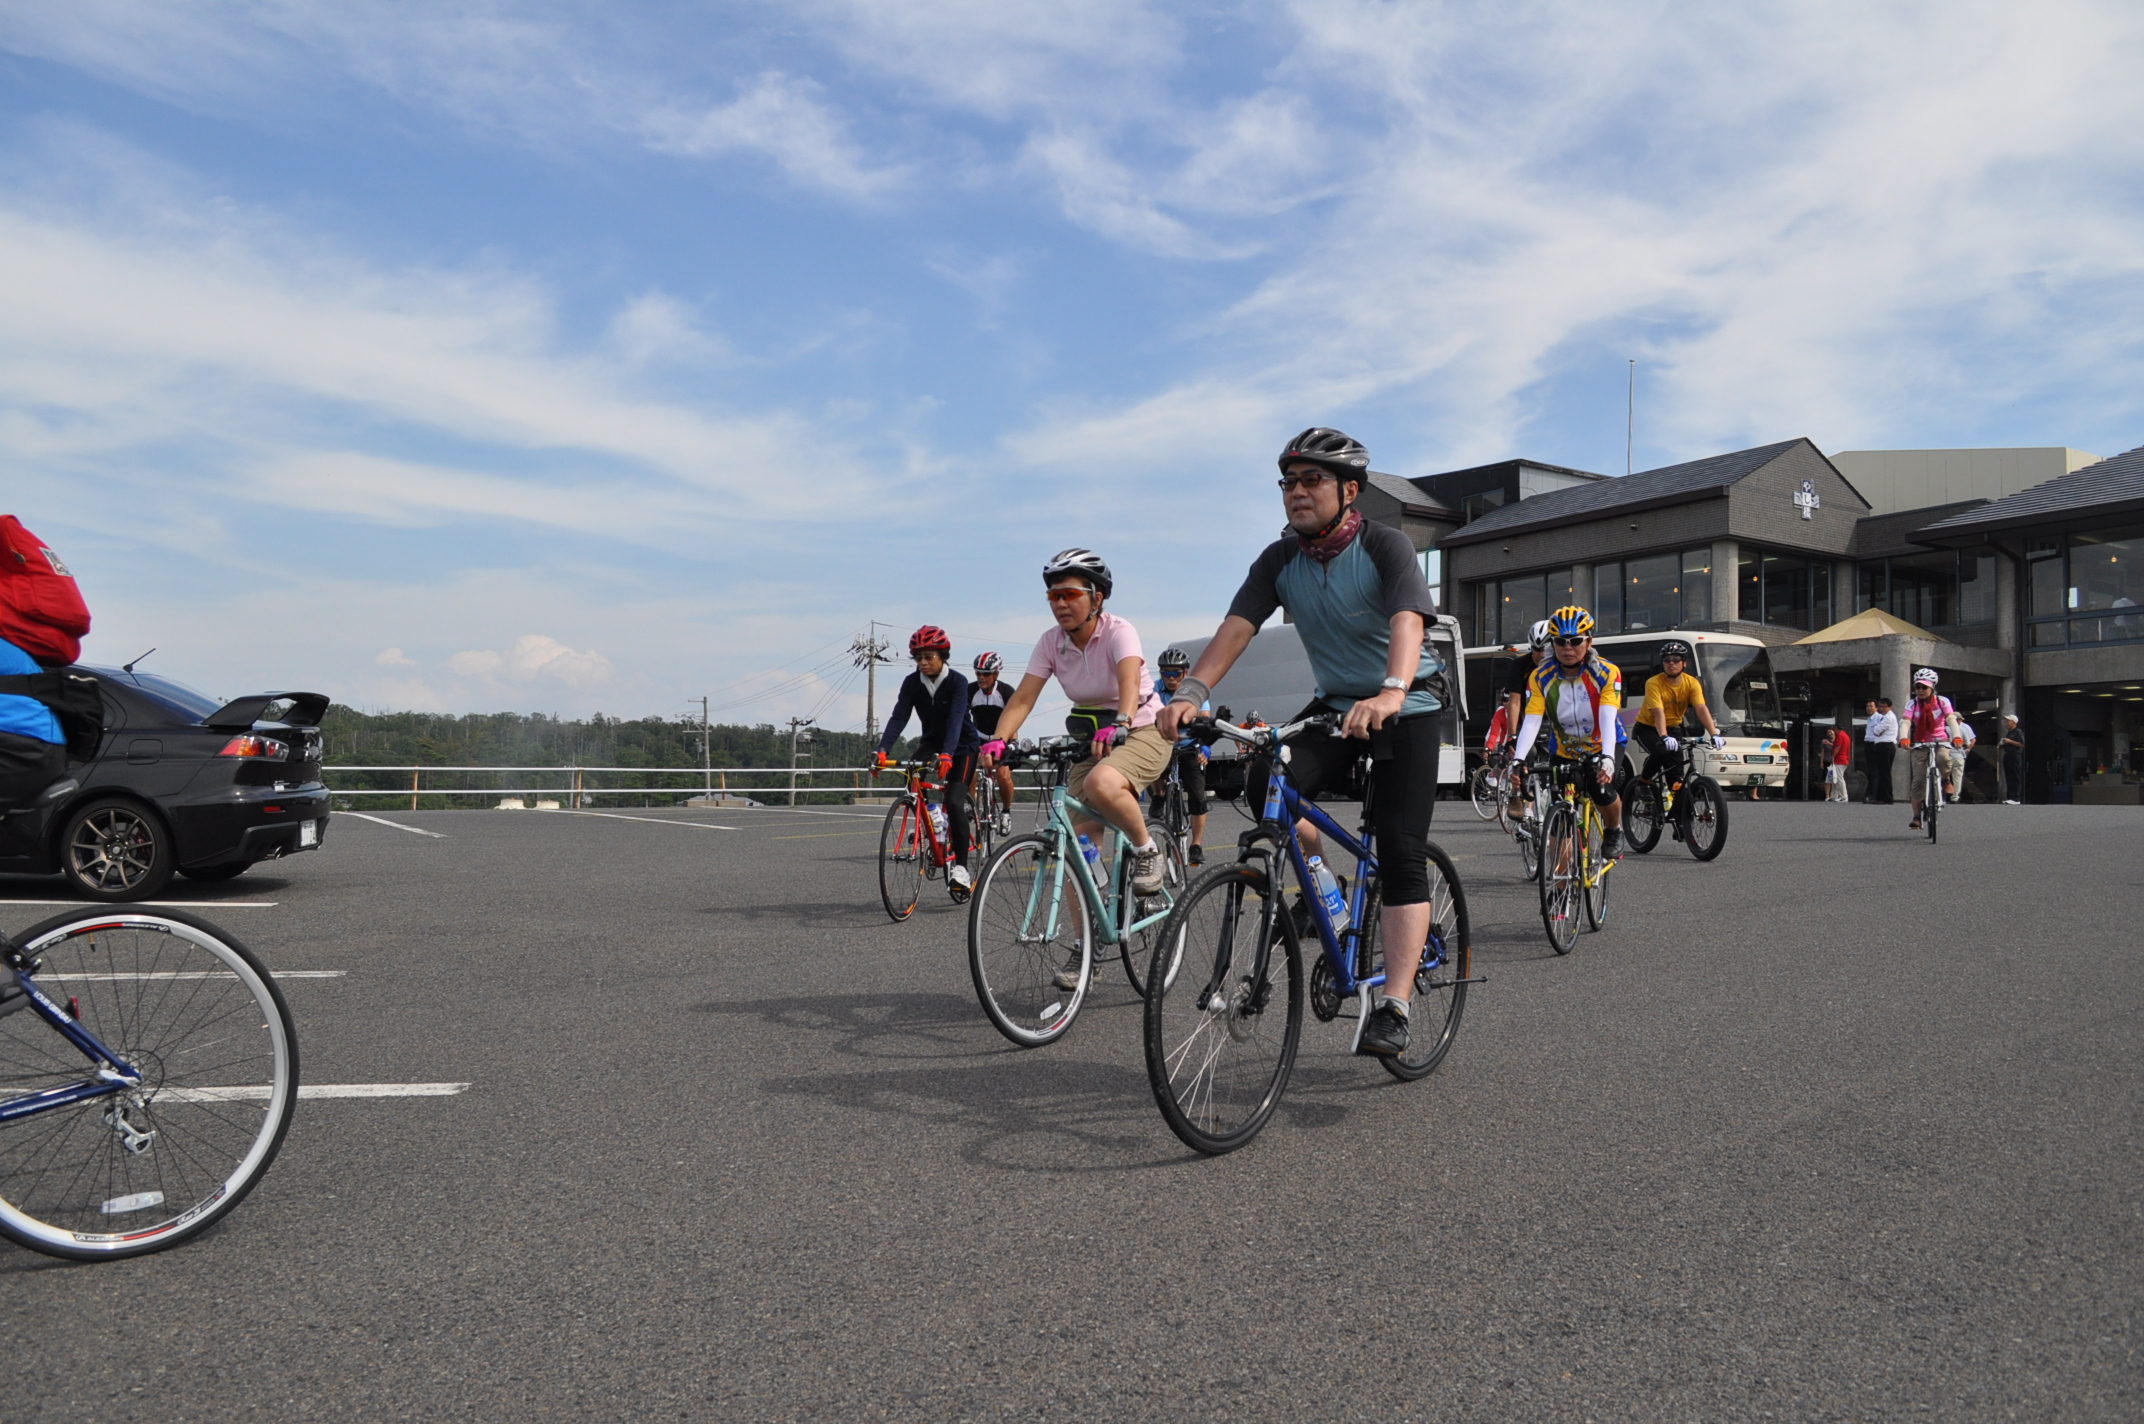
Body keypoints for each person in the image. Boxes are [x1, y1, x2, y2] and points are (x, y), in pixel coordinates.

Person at [1156, 427, 1444, 1060]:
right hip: (1339, 705)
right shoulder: (1279, 561)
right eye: (1288, 482)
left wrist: (1393, 691)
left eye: (1312, 480)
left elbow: (1408, 621)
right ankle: (1327, 893)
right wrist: (1191, 693)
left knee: (1399, 850)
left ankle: (1394, 1003)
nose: (1297, 492)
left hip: (1408, 706)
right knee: (1268, 784)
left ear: (1349, 490)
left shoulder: (1385, 545)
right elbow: (1236, 629)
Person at [980, 549, 1170, 908]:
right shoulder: (1051, 642)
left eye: (1070, 595)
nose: (1060, 604)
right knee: (1076, 857)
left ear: (1096, 598)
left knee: (1101, 784)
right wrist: (998, 740)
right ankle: (1086, 953)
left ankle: (1147, 851)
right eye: (1054, 596)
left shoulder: (1119, 631)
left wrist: (1122, 723)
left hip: (1142, 728)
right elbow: (1022, 699)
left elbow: (1129, 683)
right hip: (1093, 740)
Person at [874, 626, 983, 897]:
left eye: (929, 656)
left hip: (963, 746)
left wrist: (948, 753)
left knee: (956, 801)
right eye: (918, 657)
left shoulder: (957, 682)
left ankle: (960, 868)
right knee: (911, 774)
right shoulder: (912, 683)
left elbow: (957, 718)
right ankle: (932, 814)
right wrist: (882, 749)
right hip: (933, 742)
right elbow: (899, 716)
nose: (923, 662)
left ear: (943, 655)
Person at [1510, 604, 1627, 855]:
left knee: (1602, 792)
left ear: (1589, 641)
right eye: (1560, 642)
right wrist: (1519, 758)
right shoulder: (1541, 676)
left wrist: (1607, 757)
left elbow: (1608, 717)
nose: (1568, 648)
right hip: (1564, 747)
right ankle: (1558, 890)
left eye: (1575, 641)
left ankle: (1614, 828)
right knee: (1560, 820)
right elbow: (1531, 719)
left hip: (1604, 741)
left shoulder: (1606, 672)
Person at [1633, 640, 1723, 791]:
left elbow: (1700, 708)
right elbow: (1658, 712)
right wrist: (1663, 736)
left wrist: (1714, 733)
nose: (1671, 663)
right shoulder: (1653, 683)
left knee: (1677, 777)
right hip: (1648, 728)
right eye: (1667, 660)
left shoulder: (1692, 683)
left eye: (1676, 660)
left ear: (1684, 663)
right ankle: (1644, 782)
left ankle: (1681, 810)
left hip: (1674, 728)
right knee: (1661, 752)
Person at [1154, 647, 1212, 865]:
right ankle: (1159, 796)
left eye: (1175, 673)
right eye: (1166, 673)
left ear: (1185, 673)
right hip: (1164, 743)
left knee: (1198, 796)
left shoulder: (1194, 691)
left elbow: (1205, 719)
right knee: (1149, 761)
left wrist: (1205, 747)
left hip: (1190, 744)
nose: (1170, 678)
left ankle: (1196, 845)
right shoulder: (1155, 691)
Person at [1900, 668, 1963, 832]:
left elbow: (1950, 718)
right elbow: (1906, 721)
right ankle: (1916, 817)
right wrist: (1903, 737)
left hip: (1940, 740)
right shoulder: (1912, 704)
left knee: (1943, 758)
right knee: (1918, 781)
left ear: (1932, 687)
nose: (1920, 690)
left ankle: (1946, 780)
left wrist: (1956, 736)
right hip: (1920, 743)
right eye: (1918, 687)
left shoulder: (1942, 701)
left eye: (1924, 687)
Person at [968, 652, 1017, 835]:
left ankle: (1006, 811)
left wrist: (1012, 742)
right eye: (978, 673)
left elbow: (1013, 720)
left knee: (1003, 775)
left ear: (996, 674)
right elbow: (961, 719)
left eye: (986, 674)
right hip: (978, 737)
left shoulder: (1006, 692)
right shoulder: (970, 691)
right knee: (969, 772)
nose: (981, 678)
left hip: (1001, 738)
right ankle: (972, 807)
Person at [1864, 697, 1899, 804]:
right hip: (1882, 745)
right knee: (1881, 772)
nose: (1882, 709)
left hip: (1886, 745)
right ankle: (1881, 797)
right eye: (1881, 706)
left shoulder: (1887, 718)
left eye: (1885, 706)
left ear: (1890, 707)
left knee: (1884, 773)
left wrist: (1877, 729)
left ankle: (1887, 797)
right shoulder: (1885, 717)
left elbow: (1876, 731)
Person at [2000, 714, 2024, 803]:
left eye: (2008, 721)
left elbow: (2022, 744)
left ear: (2013, 722)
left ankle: (2016, 798)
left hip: (2015, 756)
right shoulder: (2009, 733)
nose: (2006, 723)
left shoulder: (2018, 732)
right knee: (2008, 776)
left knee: (2015, 776)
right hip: (2008, 755)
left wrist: (2009, 741)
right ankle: (2010, 797)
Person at [1826, 722, 1852, 802]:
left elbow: (1837, 747)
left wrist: (1833, 756)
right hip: (1843, 759)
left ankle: (1843, 796)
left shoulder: (1840, 736)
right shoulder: (1846, 735)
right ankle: (1834, 796)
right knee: (1835, 778)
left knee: (1839, 778)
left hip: (1840, 759)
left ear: (1837, 729)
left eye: (1834, 729)